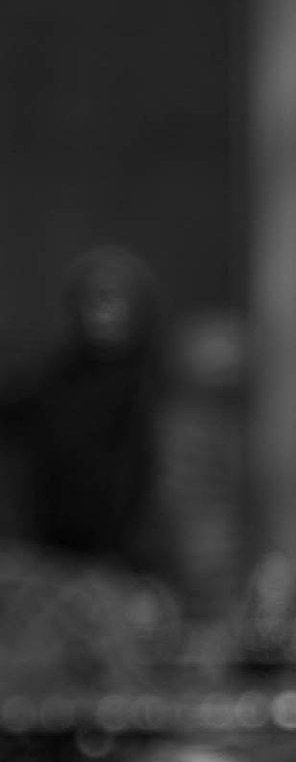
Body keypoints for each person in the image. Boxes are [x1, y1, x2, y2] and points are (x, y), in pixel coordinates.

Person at [0, 248, 169, 580]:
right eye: (95, 302)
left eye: (114, 301)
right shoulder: (60, 374)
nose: (104, 315)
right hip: (52, 543)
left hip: (123, 549)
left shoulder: (150, 382)